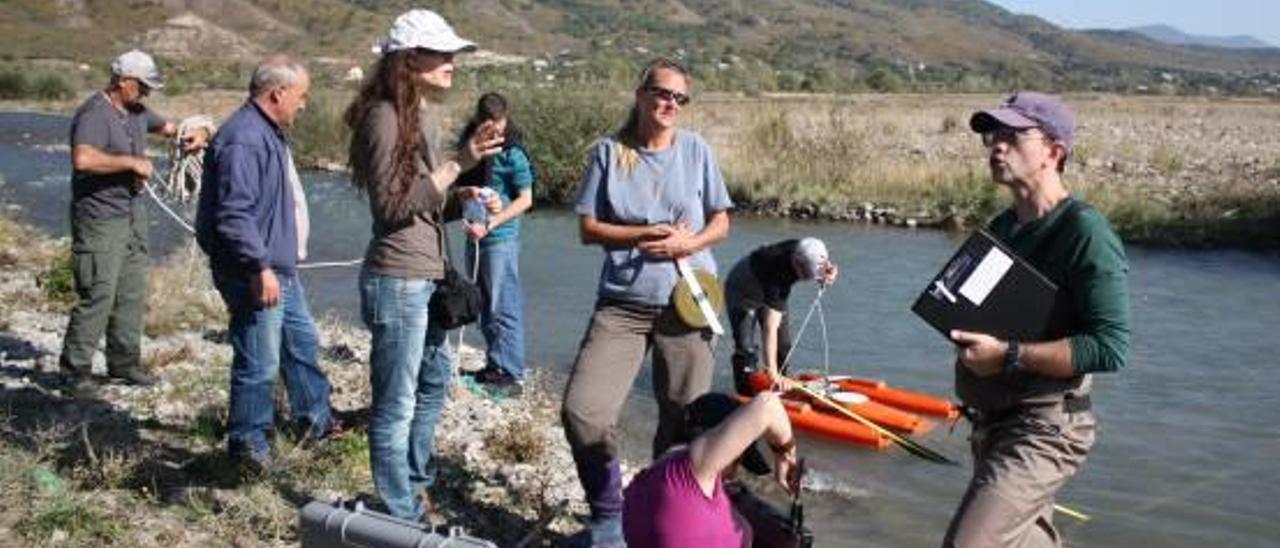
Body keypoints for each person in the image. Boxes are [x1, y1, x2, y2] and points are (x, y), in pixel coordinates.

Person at [943, 92, 1131, 548]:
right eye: (993, 135)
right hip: (992, 422)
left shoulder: (1085, 232)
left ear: (1053, 151)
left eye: (1012, 135)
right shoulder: (1003, 228)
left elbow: (1110, 347)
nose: (996, 146)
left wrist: (1006, 355)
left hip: (1043, 427)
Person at [562, 58, 733, 546]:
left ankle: (662, 520)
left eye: (680, 98)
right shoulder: (608, 153)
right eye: (662, 94)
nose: (669, 104)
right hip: (622, 305)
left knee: (684, 425)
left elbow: (722, 222)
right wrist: (642, 234)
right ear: (640, 94)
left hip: (689, 304)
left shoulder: (697, 150)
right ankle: (609, 511)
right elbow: (587, 229)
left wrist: (690, 244)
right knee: (583, 411)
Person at [344, 9, 503, 522]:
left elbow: (424, 202)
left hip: (425, 277)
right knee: (396, 404)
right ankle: (400, 511)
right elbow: (391, 208)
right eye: (442, 53)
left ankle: (414, 485)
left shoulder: (416, 115)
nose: (453, 62)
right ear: (410, 59)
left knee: (433, 383)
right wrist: (460, 161)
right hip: (398, 279)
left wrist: (467, 197)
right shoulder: (384, 117)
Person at [195, 54, 336, 472]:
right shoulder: (245, 139)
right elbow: (233, 213)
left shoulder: (267, 132)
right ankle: (247, 446)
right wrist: (259, 267)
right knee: (259, 361)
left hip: (279, 269)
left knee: (301, 344)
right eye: (301, 96)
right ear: (278, 93)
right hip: (255, 271)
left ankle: (317, 422)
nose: (304, 104)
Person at [59, 49, 210, 398]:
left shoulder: (137, 111)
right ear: (123, 81)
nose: (145, 94)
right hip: (98, 218)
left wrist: (197, 132)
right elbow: (83, 158)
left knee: (131, 290)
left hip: (131, 214)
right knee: (98, 291)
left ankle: (124, 363)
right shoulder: (94, 113)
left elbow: (171, 128)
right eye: (141, 87)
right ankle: (74, 369)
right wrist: (131, 162)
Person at [622, 392, 801, 547]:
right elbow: (767, 406)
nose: (735, 472)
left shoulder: (636, 491)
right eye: (738, 459)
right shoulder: (688, 474)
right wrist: (785, 453)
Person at [455, 92, 535, 392]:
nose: (496, 135)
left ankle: (510, 371)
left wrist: (490, 223)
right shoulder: (469, 146)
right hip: (474, 234)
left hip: (500, 238)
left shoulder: (513, 153)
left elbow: (526, 199)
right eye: (490, 130)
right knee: (485, 303)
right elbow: (458, 183)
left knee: (504, 303)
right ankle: (495, 363)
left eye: (500, 128)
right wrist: (467, 195)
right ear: (479, 122)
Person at [725, 238, 838, 395]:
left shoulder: (808, 248)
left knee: (783, 344)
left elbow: (824, 263)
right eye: (805, 274)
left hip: (769, 285)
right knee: (746, 348)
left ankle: (782, 386)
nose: (806, 278)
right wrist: (772, 372)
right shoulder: (779, 273)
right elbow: (769, 328)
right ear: (797, 262)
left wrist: (828, 274)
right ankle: (745, 393)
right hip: (743, 289)